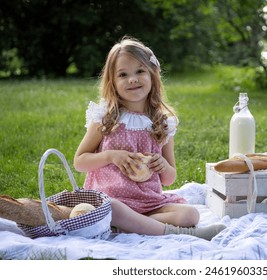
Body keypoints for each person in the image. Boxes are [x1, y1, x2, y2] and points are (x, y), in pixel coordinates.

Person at [74, 36, 225, 240]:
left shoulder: (162, 122)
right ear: (113, 82)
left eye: (140, 71)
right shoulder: (106, 118)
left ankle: (130, 225)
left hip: (149, 203)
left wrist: (162, 164)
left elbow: (169, 178)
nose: (133, 79)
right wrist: (110, 156)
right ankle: (170, 231)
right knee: (112, 208)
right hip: (113, 200)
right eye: (123, 74)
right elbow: (80, 161)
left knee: (191, 214)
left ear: (152, 74)